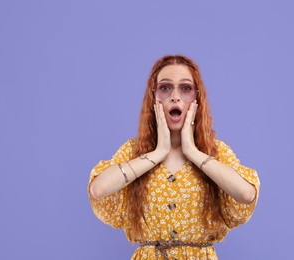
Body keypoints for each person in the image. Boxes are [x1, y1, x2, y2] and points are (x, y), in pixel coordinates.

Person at [87, 55, 260, 260]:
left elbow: (246, 194)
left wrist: (193, 152)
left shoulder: (215, 152)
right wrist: (157, 153)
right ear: (154, 98)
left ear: (197, 98)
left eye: (185, 88)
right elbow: (98, 189)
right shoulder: (133, 151)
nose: (175, 97)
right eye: (165, 88)